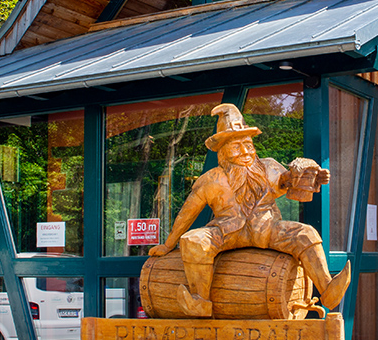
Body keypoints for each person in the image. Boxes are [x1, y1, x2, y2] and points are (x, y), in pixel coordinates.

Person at [148, 103, 351, 317]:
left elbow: (291, 182)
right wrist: (168, 244)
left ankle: (328, 289)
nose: (245, 152)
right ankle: (200, 302)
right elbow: (188, 213)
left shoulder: (269, 167)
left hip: (267, 228)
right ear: (224, 151)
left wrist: (314, 177)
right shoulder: (211, 180)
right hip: (226, 233)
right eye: (237, 147)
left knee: (306, 233)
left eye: (248, 144)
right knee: (193, 240)